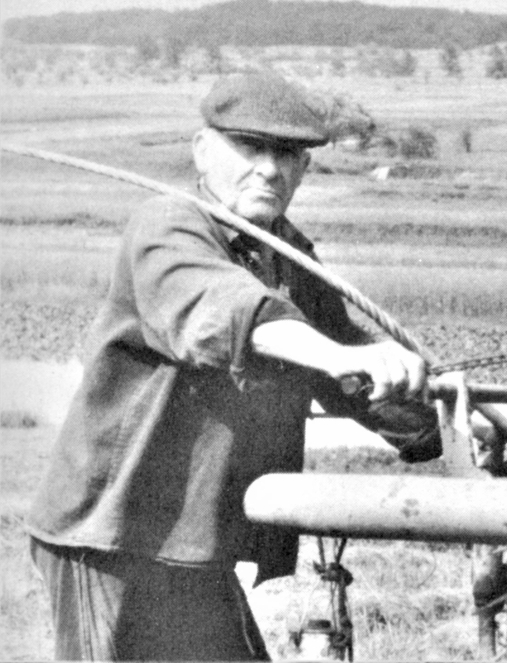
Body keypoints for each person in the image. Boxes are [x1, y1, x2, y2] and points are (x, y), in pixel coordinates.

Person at [25, 71, 443, 660]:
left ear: (305, 168)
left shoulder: (288, 254)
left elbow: (351, 364)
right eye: (250, 148)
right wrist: (342, 355)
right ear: (203, 150)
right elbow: (227, 311)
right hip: (112, 533)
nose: (270, 169)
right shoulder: (168, 227)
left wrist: (449, 419)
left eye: (289, 154)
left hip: (194, 542)